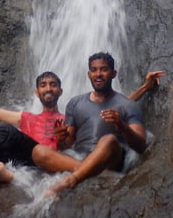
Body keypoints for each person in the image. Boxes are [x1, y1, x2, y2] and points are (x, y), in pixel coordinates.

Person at [0, 57, 163, 187]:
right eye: (43, 85)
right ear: (36, 93)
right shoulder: (26, 117)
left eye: (53, 85)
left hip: (40, 163)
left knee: (6, 132)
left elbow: (106, 110)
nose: (48, 88)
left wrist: (144, 88)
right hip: (18, 156)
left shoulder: (68, 119)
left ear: (61, 91)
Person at [31, 52, 149, 196]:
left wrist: (123, 126)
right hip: (80, 158)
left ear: (113, 73)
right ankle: (93, 171)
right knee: (39, 151)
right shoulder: (75, 103)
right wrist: (61, 138)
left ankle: (72, 180)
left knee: (109, 140)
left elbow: (141, 145)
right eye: (94, 70)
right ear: (89, 74)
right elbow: (67, 145)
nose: (98, 74)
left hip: (110, 160)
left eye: (104, 69)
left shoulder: (127, 105)